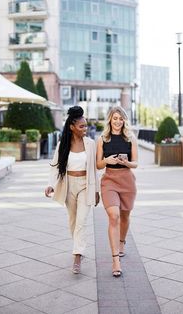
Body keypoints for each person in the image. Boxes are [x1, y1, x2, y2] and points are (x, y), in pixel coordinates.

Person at [45, 106, 100, 274]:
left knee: (81, 222)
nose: (85, 129)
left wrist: (97, 190)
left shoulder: (91, 144)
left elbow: (95, 169)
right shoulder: (63, 145)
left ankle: (77, 255)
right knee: (73, 221)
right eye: (81, 126)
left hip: (85, 185)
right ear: (72, 127)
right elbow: (55, 166)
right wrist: (51, 184)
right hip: (69, 185)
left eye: (85, 126)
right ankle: (79, 247)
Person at [96, 106, 138, 277]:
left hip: (127, 180)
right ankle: (115, 261)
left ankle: (121, 242)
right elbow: (98, 164)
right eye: (115, 118)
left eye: (121, 119)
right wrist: (106, 160)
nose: (118, 122)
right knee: (114, 216)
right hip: (109, 181)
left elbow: (135, 163)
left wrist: (126, 163)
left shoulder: (130, 138)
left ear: (124, 120)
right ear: (110, 120)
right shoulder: (102, 139)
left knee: (125, 215)